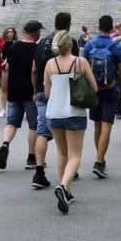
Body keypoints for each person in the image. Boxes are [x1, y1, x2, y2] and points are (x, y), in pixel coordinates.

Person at [45, 29, 98, 214]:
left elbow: (46, 92)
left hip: (54, 112)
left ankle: (66, 190)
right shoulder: (80, 62)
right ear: (70, 44)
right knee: (75, 155)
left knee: (61, 152)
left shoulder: (50, 64)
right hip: (75, 111)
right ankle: (63, 186)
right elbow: (94, 87)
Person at [31, 11, 79, 190]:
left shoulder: (42, 42)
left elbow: (34, 69)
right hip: (65, 94)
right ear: (69, 25)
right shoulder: (70, 42)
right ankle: (69, 169)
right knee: (67, 132)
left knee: (42, 132)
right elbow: (75, 66)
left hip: (44, 91)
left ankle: (39, 171)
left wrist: (36, 89)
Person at [82, 14, 121, 179]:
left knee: (97, 126)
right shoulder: (116, 47)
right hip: (110, 90)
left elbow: (83, 68)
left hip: (94, 91)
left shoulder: (89, 45)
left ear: (99, 26)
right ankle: (99, 161)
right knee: (107, 125)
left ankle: (100, 158)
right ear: (112, 29)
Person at [0, 20, 41, 171]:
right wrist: (36, 90)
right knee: (34, 125)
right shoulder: (37, 48)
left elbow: (7, 68)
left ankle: (5, 143)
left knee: (11, 122)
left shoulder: (13, 47)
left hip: (14, 90)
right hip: (30, 92)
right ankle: (31, 157)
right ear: (35, 32)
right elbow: (35, 70)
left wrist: (7, 88)